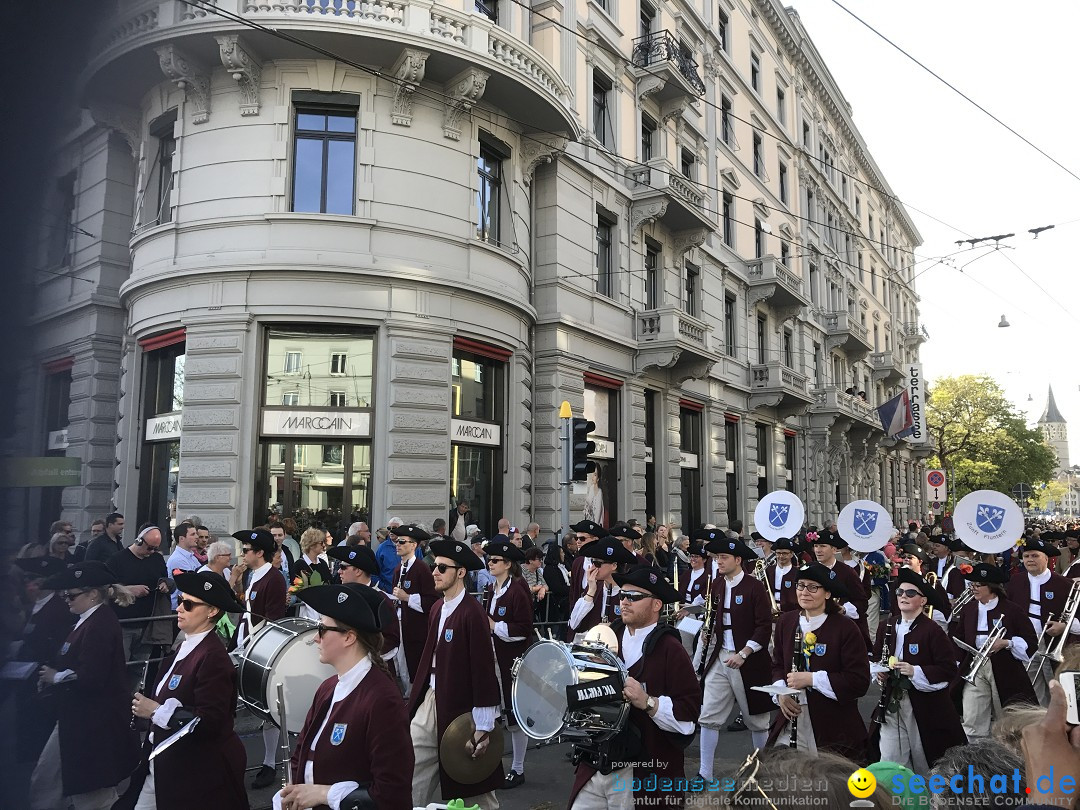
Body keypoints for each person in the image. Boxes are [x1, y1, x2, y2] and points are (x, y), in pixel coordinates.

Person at [567, 565, 700, 809]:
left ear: (656, 605)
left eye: (634, 597)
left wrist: (649, 702)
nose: (625, 602)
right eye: (623, 595)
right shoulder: (605, 636)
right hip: (595, 763)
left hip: (640, 771)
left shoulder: (671, 649)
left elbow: (688, 719)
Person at [274, 584, 414, 810]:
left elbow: (392, 793)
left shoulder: (382, 699)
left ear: (349, 637)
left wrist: (324, 793)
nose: (315, 638)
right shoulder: (328, 687)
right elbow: (301, 753)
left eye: (322, 628)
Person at [127, 571, 248, 809]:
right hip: (165, 765)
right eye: (181, 600)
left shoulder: (212, 656)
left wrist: (155, 711)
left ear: (212, 611)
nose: (180, 608)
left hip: (194, 772)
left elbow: (210, 721)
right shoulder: (186, 645)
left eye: (189, 604)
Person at [29, 561, 139, 810]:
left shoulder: (99, 624)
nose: (66, 599)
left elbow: (92, 676)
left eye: (72, 595)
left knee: (89, 795)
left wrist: (54, 677)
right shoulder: (89, 619)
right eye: (65, 594)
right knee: (48, 783)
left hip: (92, 725)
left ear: (92, 595)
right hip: (77, 720)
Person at [408, 539, 503, 810]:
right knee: (411, 768)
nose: (434, 572)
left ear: (460, 572)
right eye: (433, 566)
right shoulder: (437, 608)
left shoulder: (472, 613)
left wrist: (483, 726)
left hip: (462, 708)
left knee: (472, 782)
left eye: (441, 567)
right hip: (431, 700)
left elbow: (484, 669)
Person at [769, 563, 870, 762]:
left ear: (827, 594)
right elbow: (778, 664)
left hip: (832, 722)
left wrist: (812, 679)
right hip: (791, 717)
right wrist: (780, 693)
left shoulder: (845, 628)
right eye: (801, 585)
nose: (804, 592)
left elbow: (858, 681)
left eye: (813, 587)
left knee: (829, 781)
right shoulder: (786, 622)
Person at [870, 568, 967, 775]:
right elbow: (877, 657)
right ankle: (895, 799)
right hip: (891, 700)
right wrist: (879, 672)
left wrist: (914, 671)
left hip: (923, 705)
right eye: (900, 592)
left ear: (923, 601)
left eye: (910, 593)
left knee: (923, 756)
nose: (903, 596)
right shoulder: (886, 624)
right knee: (890, 756)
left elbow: (948, 669)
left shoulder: (933, 630)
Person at [695, 533, 774, 779]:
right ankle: (704, 773)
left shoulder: (754, 587)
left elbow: (764, 626)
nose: (718, 561)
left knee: (757, 719)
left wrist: (745, 652)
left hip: (748, 660)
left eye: (724, 557)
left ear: (738, 560)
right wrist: (708, 631)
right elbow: (714, 617)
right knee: (708, 715)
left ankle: (763, 771)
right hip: (720, 657)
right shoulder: (717, 585)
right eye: (717, 557)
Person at [952, 562, 1038, 742]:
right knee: (972, 716)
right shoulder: (969, 609)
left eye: (977, 585)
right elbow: (959, 637)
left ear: (991, 587)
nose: (973, 589)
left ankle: (1005, 757)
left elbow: (1031, 641)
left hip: (1003, 667)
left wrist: (1007, 642)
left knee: (1005, 718)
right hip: (975, 666)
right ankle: (975, 759)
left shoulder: (1012, 610)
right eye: (971, 585)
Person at [231, 528, 289, 789]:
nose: (242, 553)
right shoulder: (255, 575)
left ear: (259, 553)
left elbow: (273, 620)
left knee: (267, 707)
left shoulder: (274, 579)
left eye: (246, 550)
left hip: (258, 648)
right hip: (244, 643)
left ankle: (268, 763)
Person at [13, 557, 74, 772]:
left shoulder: (59, 610)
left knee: (38, 731)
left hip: (43, 677)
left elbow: (59, 645)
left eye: (31, 581)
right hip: (20, 676)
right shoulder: (26, 606)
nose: (27, 586)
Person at [481, 539, 533, 789]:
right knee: (492, 712)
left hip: (511, 662)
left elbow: (524, 629)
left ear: (508, 564)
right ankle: (492, 765)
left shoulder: (518, 590)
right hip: (493, 659)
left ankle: (518, 768)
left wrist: (494, 626)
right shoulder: (492, 589)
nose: (489, 564)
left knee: (514, 715)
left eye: (494, 561)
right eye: (488, 560)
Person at [1007, 537, 1080, 704]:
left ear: (1046, 559)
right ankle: (1040, 719)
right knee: (1031, 685)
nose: (1030, 560)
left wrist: (1064, 626)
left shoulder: (1064, 584)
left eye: (1035, 556)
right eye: (1026, 557)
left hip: (1054, 643)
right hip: (1026, 642)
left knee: (1057, 684)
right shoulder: (1016, 581)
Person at [326, 545, 400, 676]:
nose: (339, 571)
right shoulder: (341, 598)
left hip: (374, 674)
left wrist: (359, 653)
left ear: (358, 571)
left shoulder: (381, 601)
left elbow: (391, 642)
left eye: (343, 567)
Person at [106, 524, 171, 664]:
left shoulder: (157, 559)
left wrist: (165, 584)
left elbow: (166, 578)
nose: (152, 552)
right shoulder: (117, 560)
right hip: (123, 624)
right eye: (149, 548)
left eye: (155, 548)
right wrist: (129, 590)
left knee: (140, 667)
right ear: (139, 541)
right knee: (119, 665)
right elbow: (104, 590)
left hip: (148, 626)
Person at [389, 523, 438, 693]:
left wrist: (407, 598)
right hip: (400, 624)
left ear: (414, 545)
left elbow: (432, 600)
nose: (398, 544)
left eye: (403, 542)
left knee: (414, 665)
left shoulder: (421, 569)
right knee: (399, 663)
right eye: (397, 541)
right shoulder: (398, 570)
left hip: (416, 629)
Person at [811, 530, 872, 651]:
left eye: (823, 546)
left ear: (834, 550)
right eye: (816, 546)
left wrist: (844, 609)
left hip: (842, 629)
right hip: (815, 627)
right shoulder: (810, 569)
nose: (818, 550)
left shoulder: (847, 572)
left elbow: (861, 602)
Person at [566, 537, 636, 640]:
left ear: (614, 565)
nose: (593, 567)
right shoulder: (594, 587)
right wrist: (590, 592)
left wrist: (613, 627)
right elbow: (573, 623)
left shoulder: (630, 592)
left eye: (597, 564)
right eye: (592, 562)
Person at [165, 522, 201, 609]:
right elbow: (193, 582)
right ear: (182, 539)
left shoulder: (191, 556)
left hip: (188, 606)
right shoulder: (177, 559)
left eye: (196, 534)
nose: (197, 537)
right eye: (193, 534)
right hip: (180, 609)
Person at [766, 537, 799, 613]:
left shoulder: (797, 573)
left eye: (784, 553)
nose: (781, 556)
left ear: (791, 554)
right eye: (778, 553)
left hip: (790, 612)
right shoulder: (768, 570)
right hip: (770, 612)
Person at [542, 540, 570, 624]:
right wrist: (572, 589)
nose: (564, 554)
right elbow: (557, 588)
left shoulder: (561, 567)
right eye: (562, 553)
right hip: (557, 602)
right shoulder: (550, 569)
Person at [374, 516, 406, 591]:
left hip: (407, 593)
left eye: (394, 528)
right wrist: (383, 587)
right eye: (389, 528)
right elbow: (374, 572)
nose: (391, 531)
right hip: (388, 591)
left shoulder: (412, 546)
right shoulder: (382, 547)